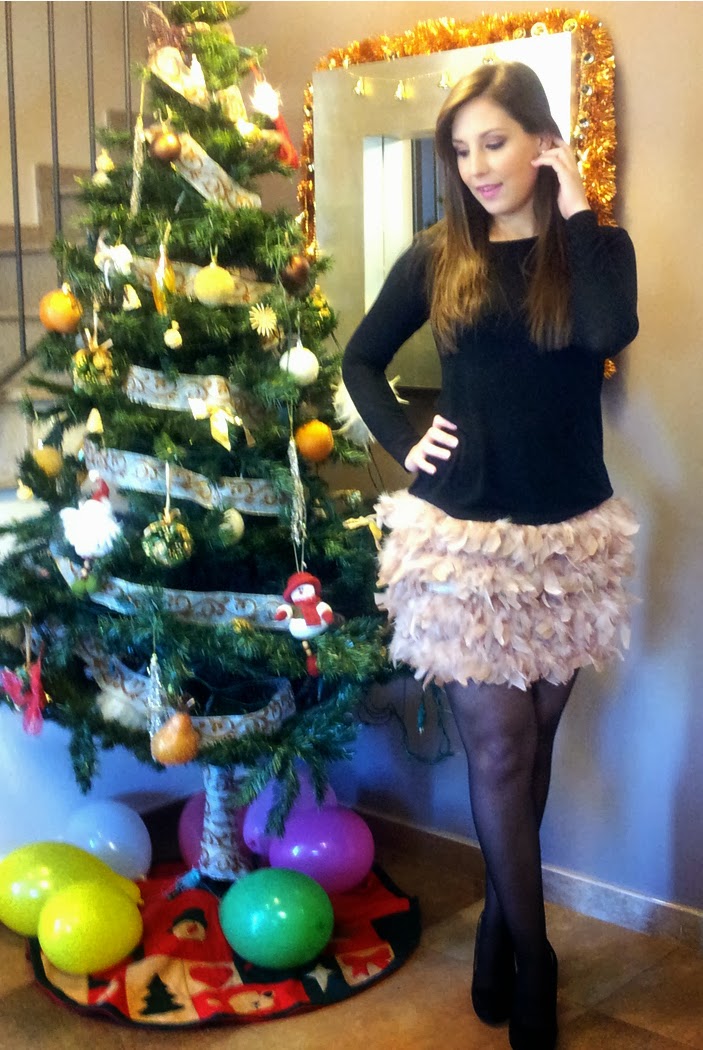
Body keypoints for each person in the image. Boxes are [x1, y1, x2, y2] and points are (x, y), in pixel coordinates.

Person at [342, 61, 638, 1050]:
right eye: (460, 150)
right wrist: (402, 437)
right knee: (503, 749)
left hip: (568, 542)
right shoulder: (438, 255)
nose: (475, 166)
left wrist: (578, 203)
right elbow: (360, 358)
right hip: (464, 540)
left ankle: (500, 927)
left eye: (495, 142)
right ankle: (535, 954)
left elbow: (608, 331)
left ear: (541, 139)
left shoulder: (592, 250)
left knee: (533, 745)